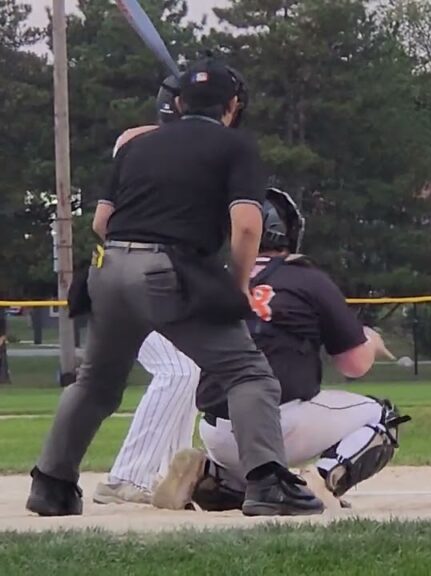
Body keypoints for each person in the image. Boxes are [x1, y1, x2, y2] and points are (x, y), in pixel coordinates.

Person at [27, 57, 324, 517]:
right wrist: (235, 286)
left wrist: (136, 255)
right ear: (233, 106)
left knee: (96, 384)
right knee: (249, 374)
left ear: (180, 103)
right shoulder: (235, 146)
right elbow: (247, 227)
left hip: (106, 271)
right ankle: (267, 483)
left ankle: (51, 484)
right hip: (168, 271)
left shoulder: (136, 147)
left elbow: (101, 223)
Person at [151, 188, 406, 512]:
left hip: (216, 428)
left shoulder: (216, 280)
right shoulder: (305, 278)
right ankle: (323, 479)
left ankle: (208, 472)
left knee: (263, 476)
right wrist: (370, 339)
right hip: (281, 423)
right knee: (383, 417)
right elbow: (353, 366)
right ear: (290, 231)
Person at [92, 75, 202, 506]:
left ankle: (168, 475)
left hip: (160, 286)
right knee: (177, 370)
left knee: (190, 368)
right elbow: (131, 138)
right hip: (133, 282)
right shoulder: (138, 145)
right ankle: (126, 477)